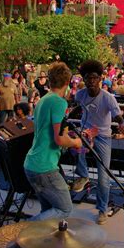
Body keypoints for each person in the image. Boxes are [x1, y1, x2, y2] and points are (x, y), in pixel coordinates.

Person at [23, 62, 83, 221]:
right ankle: (23, 232)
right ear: (67, 82)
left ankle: (39, 243)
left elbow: (52, 132)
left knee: (48, 212)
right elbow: (59, 139)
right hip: (44, 167)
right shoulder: (59, 102)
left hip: (32, 164)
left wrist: (69, 135)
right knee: (64, 209)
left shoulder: (44, 99)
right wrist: (76, 142)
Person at [71, 60, 124, 225]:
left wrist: (122, 123)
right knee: (74, 144)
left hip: (102, 136)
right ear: (85, 79)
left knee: (104, 176)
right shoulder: (80, 94)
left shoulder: (107, 97)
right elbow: (74, 105)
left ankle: (102, 209)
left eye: (94, 78)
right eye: (88, 78)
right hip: (86, 134)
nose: (91, 81)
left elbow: (117, 115)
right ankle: (83, 176)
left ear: (100, 79)